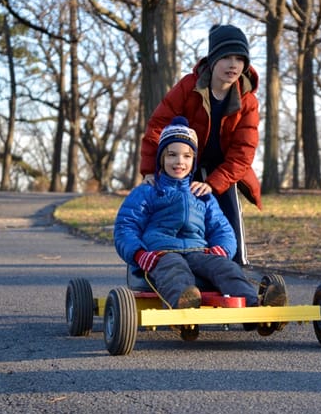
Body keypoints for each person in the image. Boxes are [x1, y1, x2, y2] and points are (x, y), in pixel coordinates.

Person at [114, 117, 284, 311]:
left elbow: (222, 229)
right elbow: (125, 227)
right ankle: (185, 303)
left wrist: (222, 250)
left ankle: (255, 305)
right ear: (161, 158)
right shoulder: (147, 191)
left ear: (194, 160)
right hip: (161, 253)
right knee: (175, 269)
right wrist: (139, 254)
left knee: (225, 268)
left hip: (198, 252)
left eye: (187, 156)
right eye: (172, 155)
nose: (179, 161)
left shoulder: (201, 194)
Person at [140, 24, 261, 266]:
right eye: (226, 57)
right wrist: (150, 170)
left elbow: (243, 152)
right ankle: (161, 261)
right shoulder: (188, 87)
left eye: (239, 59)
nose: (233, 65)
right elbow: (158, 126)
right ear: (213, 59)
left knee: (226, 211)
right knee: (174, 207)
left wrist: (213, 183)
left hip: (223, 167)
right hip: (184, 159)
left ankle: (234, 266)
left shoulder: (247, 100)